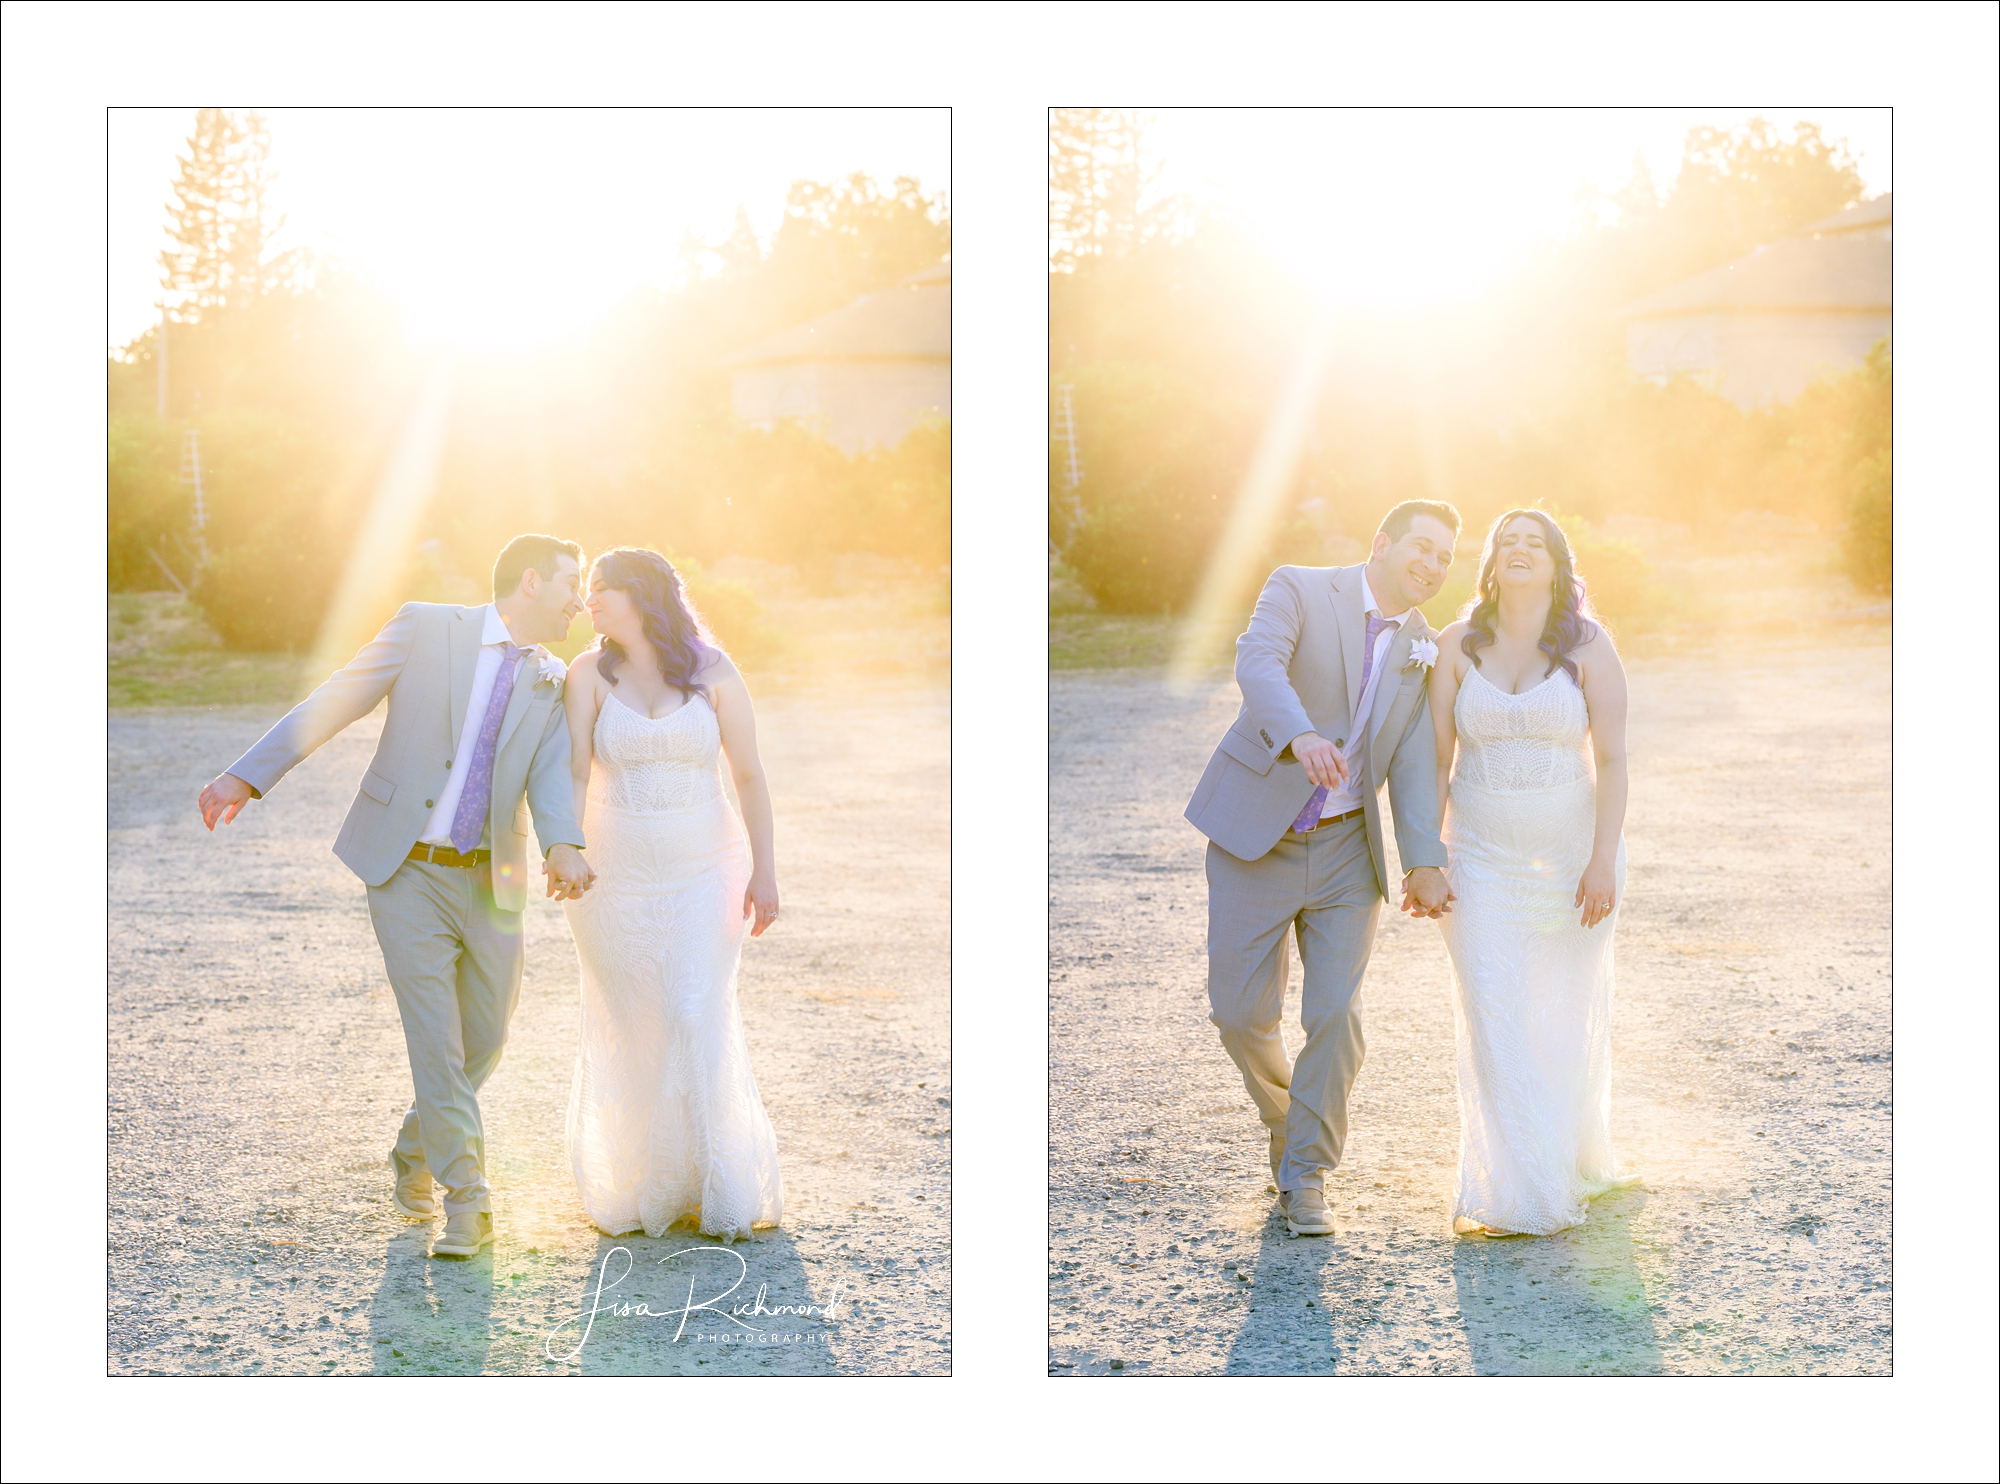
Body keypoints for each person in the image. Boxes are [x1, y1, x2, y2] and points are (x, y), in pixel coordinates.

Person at [197, 533, 595, 1259]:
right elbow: (336, 700)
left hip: (495, 879)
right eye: (574, 581)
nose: (582, 598)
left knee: (487, 1037)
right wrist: (245, 775)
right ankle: (467, 1202)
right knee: (436, 1040)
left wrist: (562, 843)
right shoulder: (425, 627)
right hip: (405, 869)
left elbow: (548, 777)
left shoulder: (551, 677)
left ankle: (417, 1146)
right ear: (531, 581)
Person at [1184, 500, 1458, 1237]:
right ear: (1381, 543)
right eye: (1422, 548)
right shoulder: (1301, 587)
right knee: (1240, 1015)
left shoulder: (1424, 644)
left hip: (1346, 853)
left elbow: (1408, 761)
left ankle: (1306, 1173)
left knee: (1335, 1016)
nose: (1432, 566)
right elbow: (1258, 662)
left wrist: (1425, 860)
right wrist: (1300, 734)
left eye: (1445, 558)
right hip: (1256, 837)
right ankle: (1288, 1123)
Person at [560, 546, 783, 1240]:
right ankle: (646, 1183)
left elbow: (748, 773)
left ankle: (715, 1180)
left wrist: (766, 870)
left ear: (643, 594)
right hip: (613, 878)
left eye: (603, 590)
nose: (589, 602)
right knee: (637, 1024)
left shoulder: (713, 670)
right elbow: (571, 771)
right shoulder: (588, 673)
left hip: (706, 868)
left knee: (693, 1009)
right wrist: (563, 847)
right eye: (589, 590)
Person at [1428, 508, 1639, 1236]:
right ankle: (1524, 1193)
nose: (1519, 552)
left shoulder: (1588, 645)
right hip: (1478, 860)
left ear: (1556, 564)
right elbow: (1432, 761)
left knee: (1556, 1014)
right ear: (1490, 563)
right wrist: (1426, 856)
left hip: (1570, 862)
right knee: (1494, 1009)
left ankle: (1566, 1158)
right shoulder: (1455, 643)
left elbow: (1611, 759)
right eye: (1506, 543)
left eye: (1534, 543)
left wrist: (1602, 860)